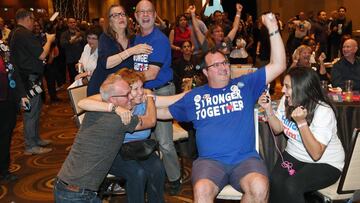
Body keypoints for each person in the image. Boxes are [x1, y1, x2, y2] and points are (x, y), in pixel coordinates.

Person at [157, 12, 286, 202]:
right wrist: (135, 108)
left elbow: (279, 65)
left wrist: (273, 28)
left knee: (259, 186)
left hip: (245, 159)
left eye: (225, 62)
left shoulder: (244, 85)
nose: (224, 67)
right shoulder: (196, 96)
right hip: (210, 162)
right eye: (216, 65)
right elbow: (164, 112)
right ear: (205, 72)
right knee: (202, 189)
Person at [54, 72, 157, 203]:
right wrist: (149, 96)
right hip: (76, 195)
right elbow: (151, 121)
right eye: (127, 94)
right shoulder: (121, 120)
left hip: (68, 187)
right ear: (113, 100)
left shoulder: (96, 110)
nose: (131, 96)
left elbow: (89, 101)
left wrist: (115, 107)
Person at [78, 68, 166, 203]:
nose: (140, 92)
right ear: (124, 90)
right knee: (137, 173)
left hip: (138, 148)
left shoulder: (143, 100)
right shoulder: (115, 101)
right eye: (135, 89)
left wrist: (149, 97)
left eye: (142, 87)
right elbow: (82, 103)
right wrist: (114, 108)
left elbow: (171, 103)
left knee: (158, 169)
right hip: (114, 149)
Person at [258, 67, 345, 203]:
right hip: (295, 154)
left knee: (292, 186)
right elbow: (277, 129)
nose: (282, 90)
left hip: (327, 163)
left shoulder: (323, 111)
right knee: (275, 181)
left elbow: (316, 154)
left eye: (287, 87)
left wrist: (302, 123)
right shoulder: (286, 100)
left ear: (301, 88)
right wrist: (269, 109)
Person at [133, 0, 181, 194]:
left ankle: (174, 178)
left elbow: (151, 74)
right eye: (141, 12)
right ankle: (153, 177)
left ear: (155, 15)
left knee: (164, 141)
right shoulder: (135, 39)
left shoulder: (159, 40)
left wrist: (128, 81)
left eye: (149, 12)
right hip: (140, 93)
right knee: (145, 138)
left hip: (160, 92)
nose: (145, 15)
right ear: (135, 16)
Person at [9, 8, 55, 155]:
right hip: (29, 80)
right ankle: (30, 145)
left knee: (35, 110)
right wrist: (49, 40)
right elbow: (42, 55)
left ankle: (34, 139)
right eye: (33, 19)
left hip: (27, 78)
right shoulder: (23, 34)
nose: (34, 22)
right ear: (27, 19)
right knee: (31, 113)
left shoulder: (15, 33)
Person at [87, 4, 153, 96]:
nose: (120, 17)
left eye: (122, 14)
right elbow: (106, 63)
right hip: (101, 89)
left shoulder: (133, 38)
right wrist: (131, 51)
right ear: (110, 22)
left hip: (122, 90)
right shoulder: (105, 38)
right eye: (115, 15)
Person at [0, 36, 24, 182]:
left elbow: (13, 74)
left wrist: (21, 94)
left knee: (5, 135)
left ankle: (3, 169)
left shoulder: (4, 49)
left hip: (6, 101)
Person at [60, 17, 86, 83]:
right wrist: (76, 38)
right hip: (71, 60)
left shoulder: (81, 33)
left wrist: (81, 39)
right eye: (70, 22)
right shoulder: (64, 34)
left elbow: (86, 44)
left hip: (81, 59)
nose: (72, 24)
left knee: (82, 77)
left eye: (74, 22)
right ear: (68, 24)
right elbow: (63, 44)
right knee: (73, 78)